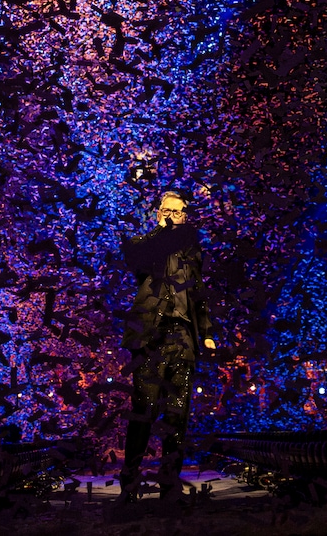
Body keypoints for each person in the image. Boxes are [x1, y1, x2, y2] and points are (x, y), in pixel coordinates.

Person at [118, 190, 216, 500]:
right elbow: (134, 257)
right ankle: (129, 484)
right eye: (167, 211)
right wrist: (159, 230)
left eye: (178, 212)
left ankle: (169, 484)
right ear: (159, 213)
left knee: (177, 414)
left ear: (185, 216)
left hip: (183, 337)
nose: (172, 216)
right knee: (144, 410)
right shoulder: (147, 245)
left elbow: (199, 295)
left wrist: (207, 332)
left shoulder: (192, 253)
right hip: (151, 335)